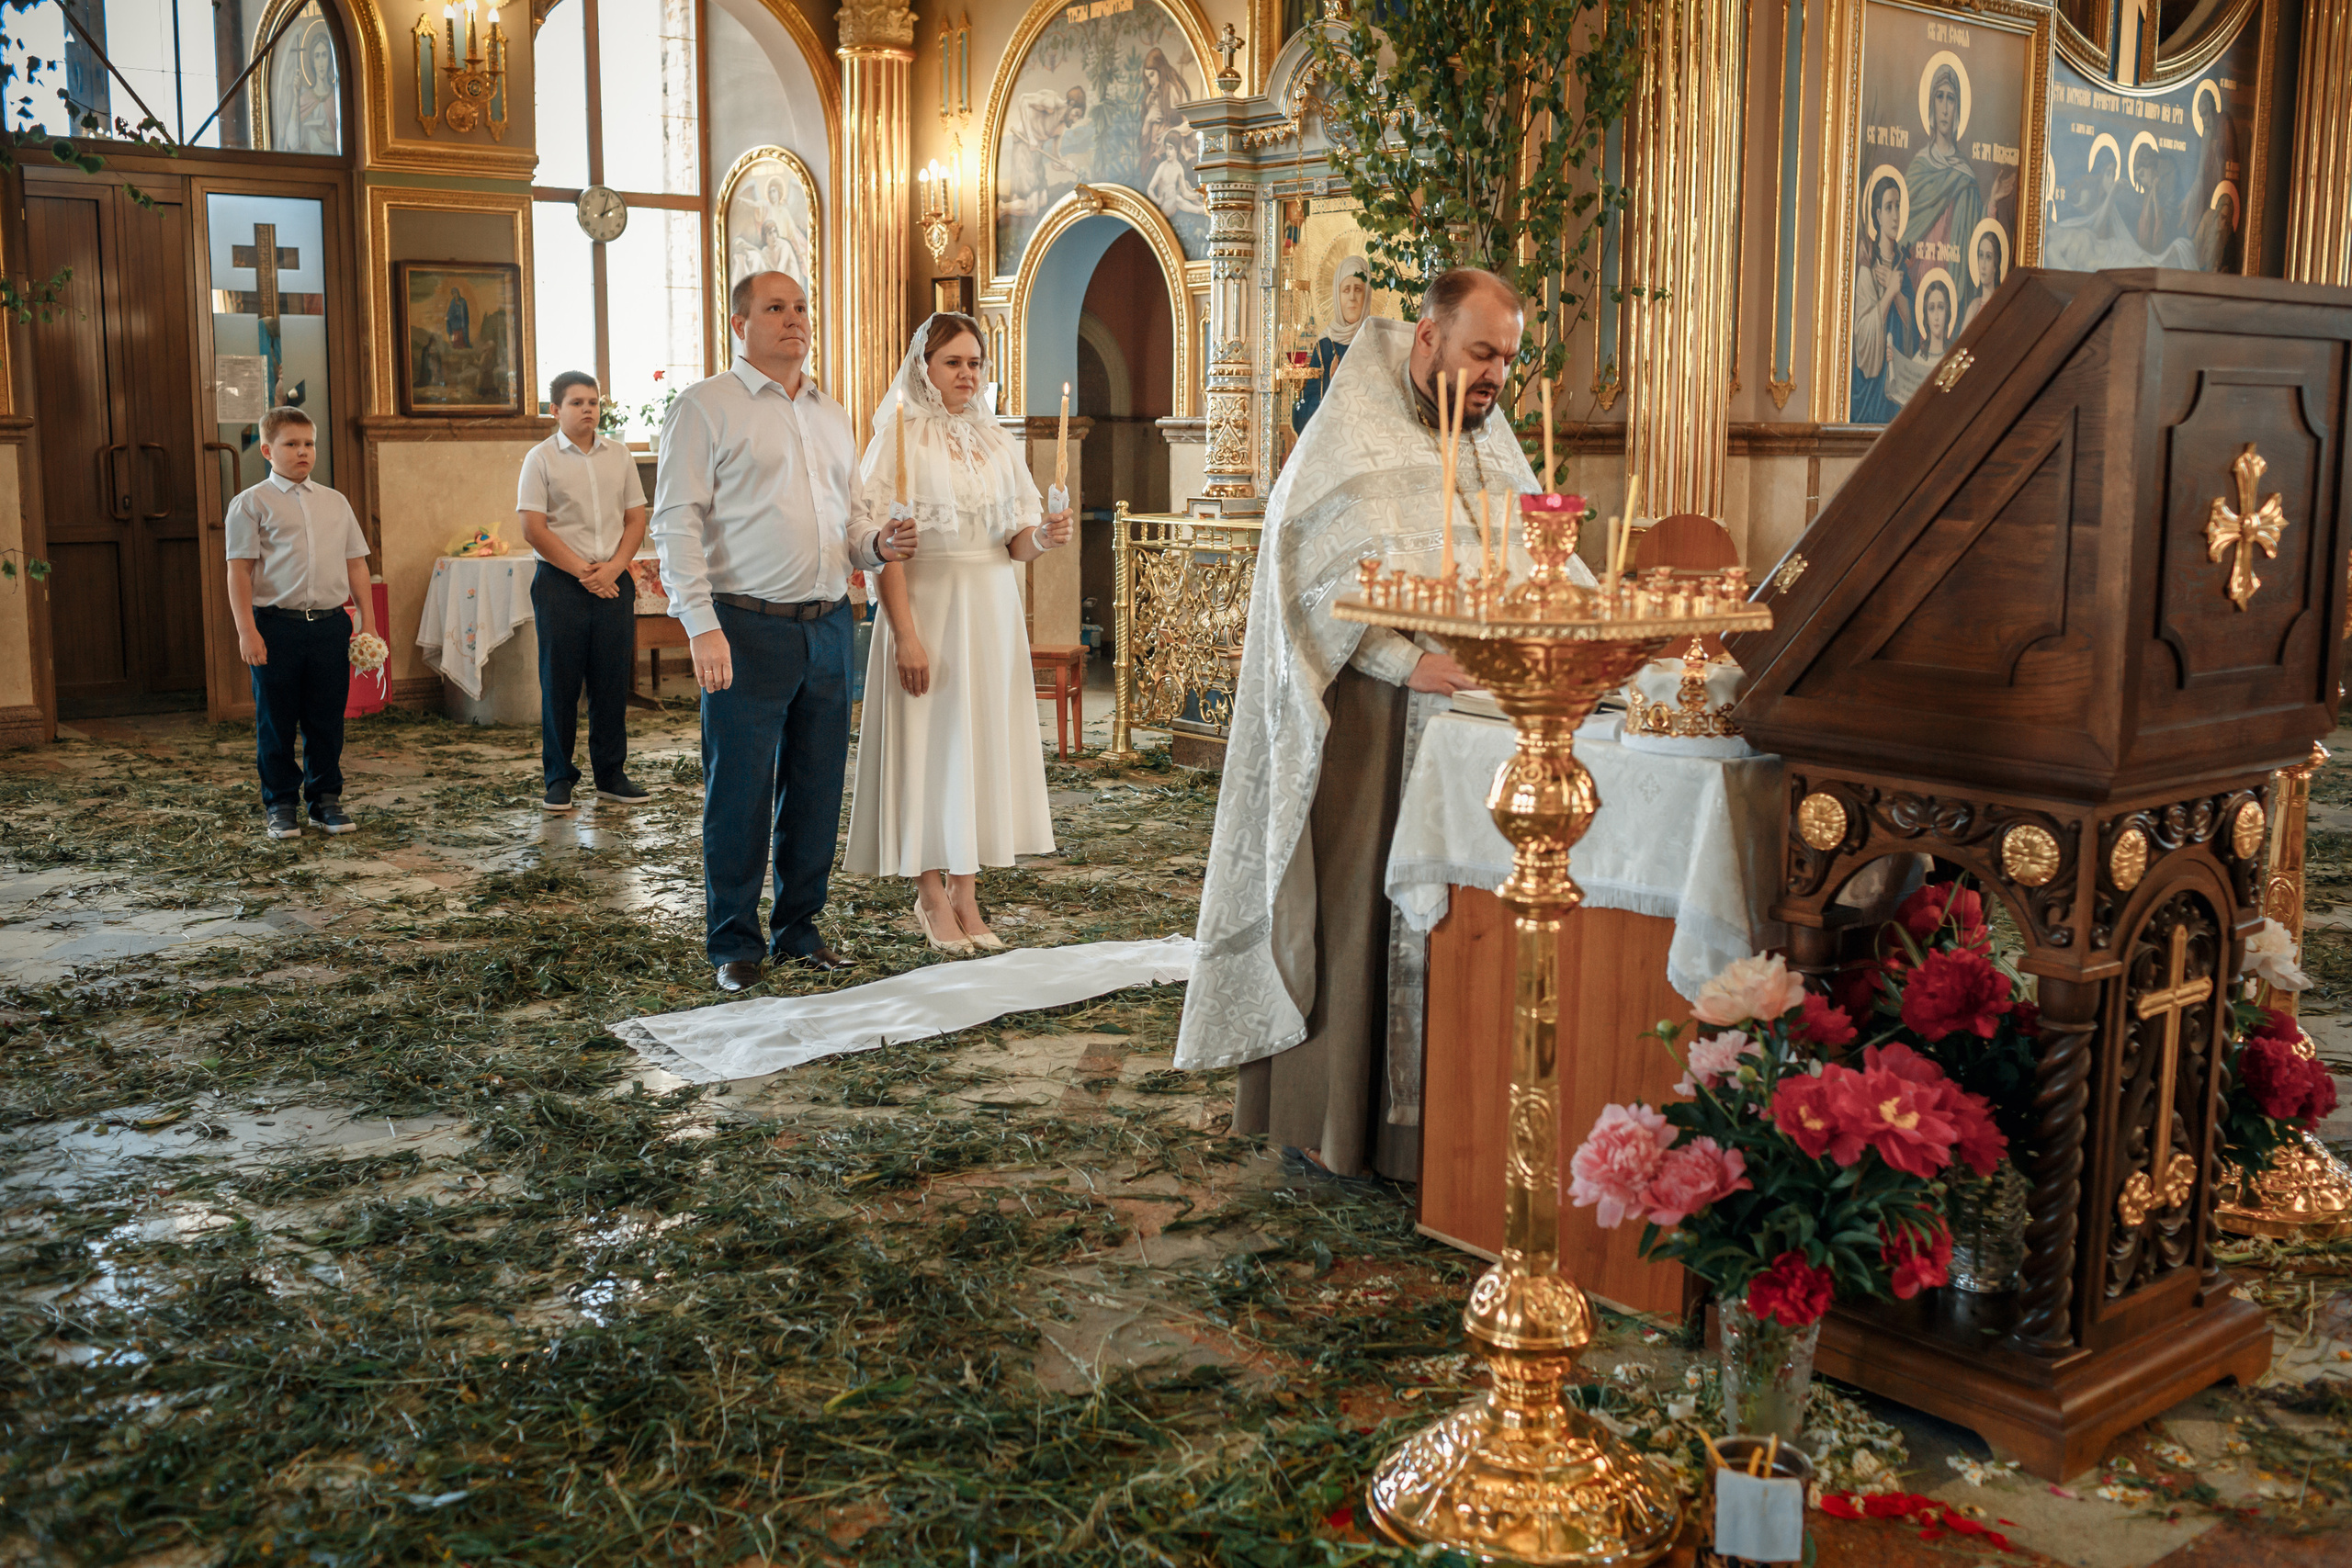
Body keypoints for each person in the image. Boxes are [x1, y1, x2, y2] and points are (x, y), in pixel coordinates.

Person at [1177, 268, 1592, 1180]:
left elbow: (1543, 561)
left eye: (1507, 359)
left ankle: (1436, 1131)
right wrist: (1408, 662)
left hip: (1479, 723)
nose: (1496, 375)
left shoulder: (1488, 440)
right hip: (1373, 720)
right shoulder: (1348, 437)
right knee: (1357, 921)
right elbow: (1307, 587)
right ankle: (1332, 1120)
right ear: (1428, 338)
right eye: (1481, 352)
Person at [652, 271, 920, 992]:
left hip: (828, 625)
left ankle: (800, 929)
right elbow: (675, 523)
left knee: (815, 790)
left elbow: (850, 518)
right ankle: (734, 943)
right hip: (745, 626)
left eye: (801, 307)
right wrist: (701, 625)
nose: (794, 319)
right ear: (739, 324)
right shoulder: (705, 406)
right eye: (775, 308)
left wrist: (878, 545)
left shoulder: (832, 413)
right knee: (739, 792)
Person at [844, 315, 1072, 951]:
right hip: (927, 608)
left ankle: (967, 892)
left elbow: (1015, 542)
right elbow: (886, 549)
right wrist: (905, 635)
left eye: (975, 362)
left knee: (976, 747)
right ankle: (929, 892)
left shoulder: (996, 440)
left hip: (990, 611)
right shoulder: (897, 439)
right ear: (925, 367)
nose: (967, 374)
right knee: (927, 747)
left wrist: (1044, 536)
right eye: (953, 362)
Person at [224, 405, 379, 840]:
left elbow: (356, 564)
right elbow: (239, 571)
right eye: (291, 444)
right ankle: (280, 803)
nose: (303, 452)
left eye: (309, 443)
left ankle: (325, 800)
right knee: (276, 720)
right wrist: (247, 630)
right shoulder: (251, 503)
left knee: (326, 719)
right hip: (277, 626)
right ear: (268, 451)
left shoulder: (335, 502)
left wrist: (366, 621)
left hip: (330, 625)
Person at [516, 369, 650, 814]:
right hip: (561, 582)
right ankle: (558, 778)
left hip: (613, 580)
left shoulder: (620, 456)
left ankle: (611, 775)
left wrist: (612, 569)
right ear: (555, 410)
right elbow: (533, 528)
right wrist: (584, 572)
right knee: (560, 683)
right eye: (577, 403)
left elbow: (636, 519)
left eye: (593, 402)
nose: (588, 409)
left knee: (611, 681)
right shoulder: (540, 459)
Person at [1850, 174, 1912, 424]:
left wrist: (1897, 293)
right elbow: (1862, 337)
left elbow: (1912, 329)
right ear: (1877, 215)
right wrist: (1889, 293)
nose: (1895, 215)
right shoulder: (1868, 268)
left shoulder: (1902, 268)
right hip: (1871, 394)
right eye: (1889, 208)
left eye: (1898, 206)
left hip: (1897, 391)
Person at [1291, 254, 1372, 434]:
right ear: (1337, 295)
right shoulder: (1325, 346)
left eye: (1358, 289)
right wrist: (1332, 386)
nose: (1352, 297)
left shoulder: (1375, 343)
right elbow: (1301, 417)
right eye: (1346, 290)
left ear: (1367, 295)